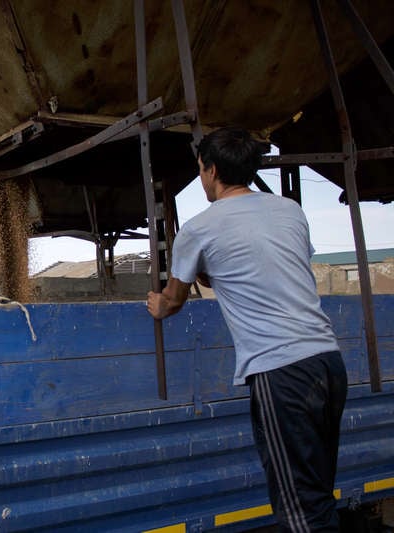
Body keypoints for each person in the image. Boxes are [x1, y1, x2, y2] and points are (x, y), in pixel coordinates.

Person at [147, 127, 347, 531]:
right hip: (328, 363)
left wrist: (157, 305)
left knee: (299, 509)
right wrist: (216, 274)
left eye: (201, 170)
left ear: (212, 169)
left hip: (282, 373)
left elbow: (172, 300)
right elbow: (269, 267)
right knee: (318, 493)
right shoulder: (290, 210)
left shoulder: (199, 229)